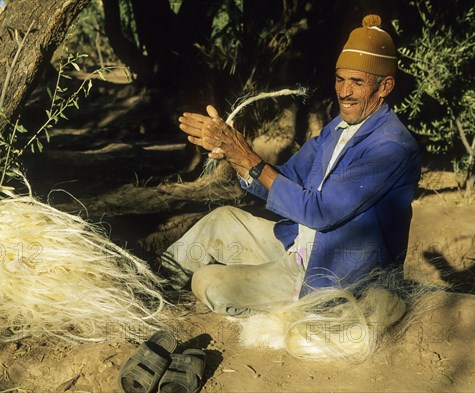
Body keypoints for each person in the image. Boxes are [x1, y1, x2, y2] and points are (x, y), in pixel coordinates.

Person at [161, 14, 421, 317]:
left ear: (385, 86)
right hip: (298, 248)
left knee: (208, 282)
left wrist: (250, 159)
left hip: (334, 276)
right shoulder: (337, 128)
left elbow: (320, 212)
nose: (344, 91)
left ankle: (289, 314)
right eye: (340, 79)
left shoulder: (391, 147)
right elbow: (284, 179)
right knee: (220, 219)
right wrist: (236, 156)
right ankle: (152, 283)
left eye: (357, 82)